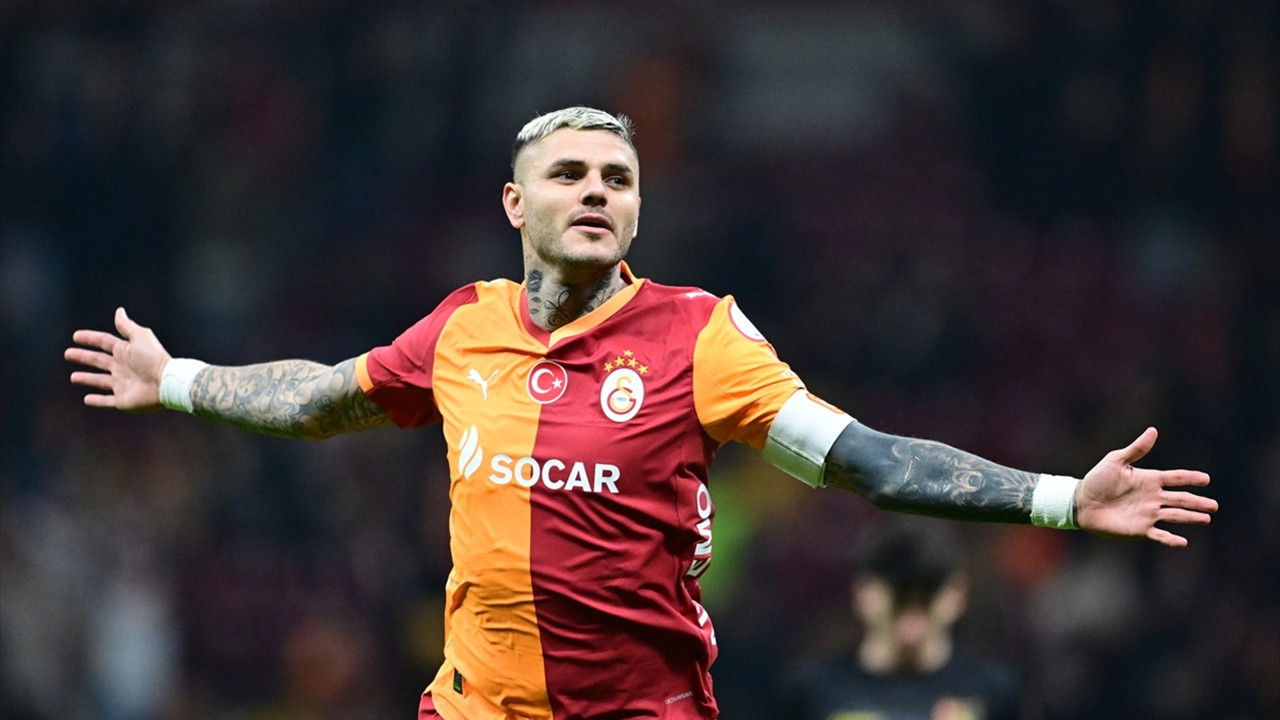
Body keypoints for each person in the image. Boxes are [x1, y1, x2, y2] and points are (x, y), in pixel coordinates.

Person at [65, 106, 1217, 720]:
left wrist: (1059, 498)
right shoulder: (461, 326)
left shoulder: (699, 337)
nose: (595, 192)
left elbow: (863, 460)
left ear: (636, 211)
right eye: (569, 175)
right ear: (515, 203)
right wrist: (176, 378)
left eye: (616, 179)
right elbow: (324, 398)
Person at [783, 518, 1020, 720]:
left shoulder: (992, 692)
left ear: (956, 594)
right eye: (898, 603)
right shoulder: (812, 691)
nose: (911, 626)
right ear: (863, 592)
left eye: (925, 602)